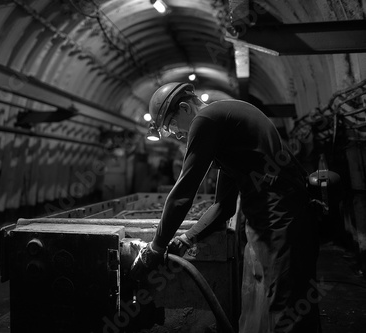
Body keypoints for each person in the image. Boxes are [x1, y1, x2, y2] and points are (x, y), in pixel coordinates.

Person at [130, 82, 321, 332]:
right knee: (283, 299)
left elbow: (183, 193)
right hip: (273, 215)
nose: (177, 135)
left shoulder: (206, 119)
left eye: (172, 127)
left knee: (287, 306)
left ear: (185, 108)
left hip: (280, 216)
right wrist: (187, 238)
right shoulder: (226, 126)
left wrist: (156, 247)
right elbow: (224, 205)